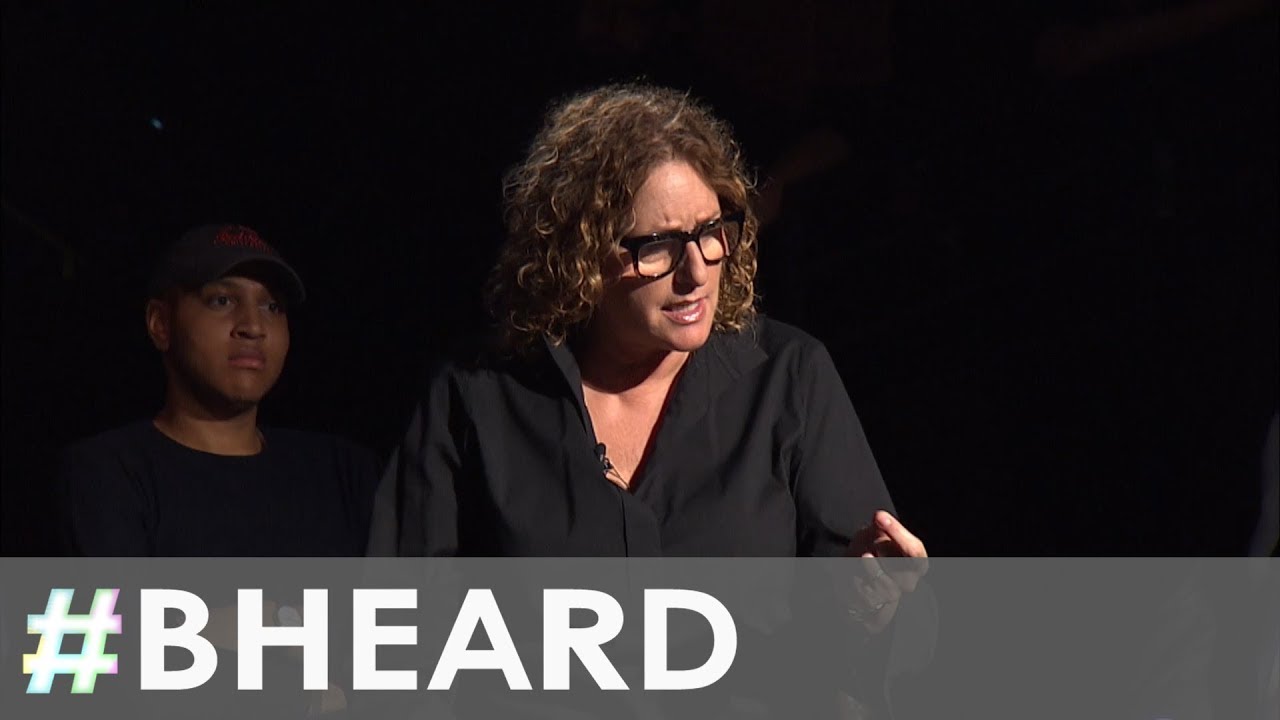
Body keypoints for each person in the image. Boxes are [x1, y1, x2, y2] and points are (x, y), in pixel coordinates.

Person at [371, 83, 927, 565]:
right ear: (581, 256)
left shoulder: (790, 377)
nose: (697, 271)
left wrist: (874, 608)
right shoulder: (476, 395)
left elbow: (869, 607)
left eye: (711, 231)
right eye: (657, 245)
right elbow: (401, 619)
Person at [56, 223, 379, 557]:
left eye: (272, 306)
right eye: (222, 301)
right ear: (160, 323)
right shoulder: (109, 473)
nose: (253, 326)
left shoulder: (342, 471)